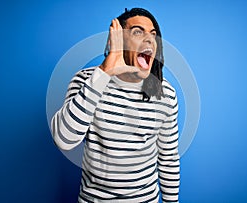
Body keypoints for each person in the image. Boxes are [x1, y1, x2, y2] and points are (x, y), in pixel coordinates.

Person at [51, 8, 180, 203]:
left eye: (153, 34)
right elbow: (64, 140)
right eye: (138, 32)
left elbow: (168, 158)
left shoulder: (165, 93)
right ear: (117, 40)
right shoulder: (86, 80)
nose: (149, 39)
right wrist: (105, 72)